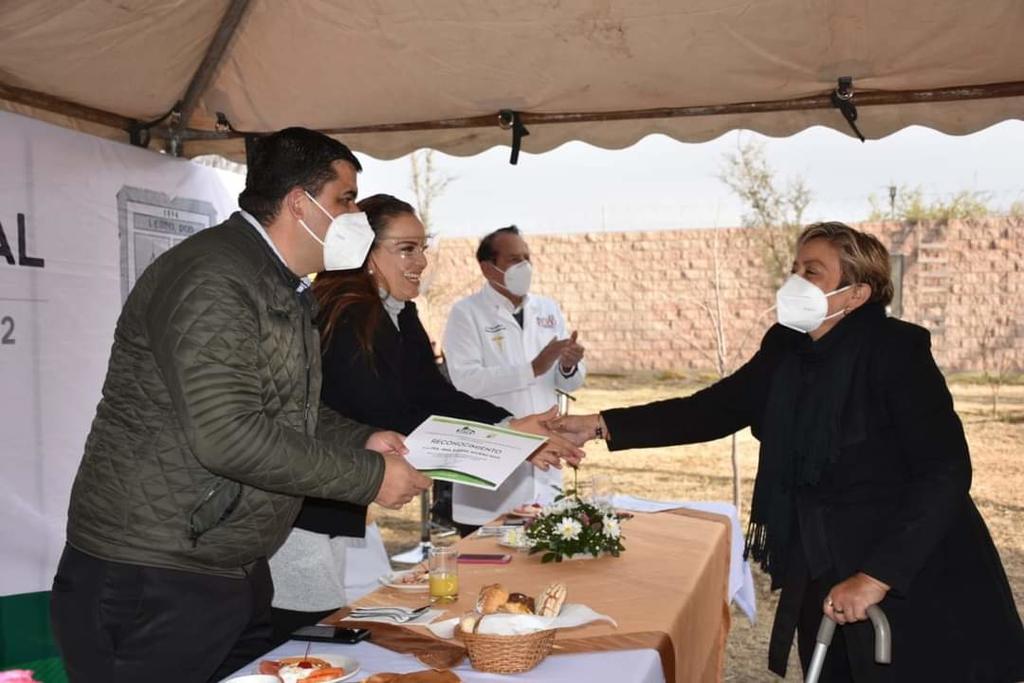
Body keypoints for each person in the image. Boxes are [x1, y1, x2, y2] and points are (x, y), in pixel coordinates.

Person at [552, 222, 1024, 682]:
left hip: (907, 567)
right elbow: (712, 410)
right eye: (795, 269)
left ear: (857, 293)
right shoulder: (785, 348)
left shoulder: (896, 351)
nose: (795, 281)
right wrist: (600, 424)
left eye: (812, 271)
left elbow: (945, 470)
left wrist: (877, 576)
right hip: (820, 557)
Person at [50, 128, 431, 683]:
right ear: (299, 203)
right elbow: (228, 435)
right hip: (152, 575)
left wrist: (361, 439)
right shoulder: (213, 278)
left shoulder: (277, 282)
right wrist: (368, 477)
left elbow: (284, 411)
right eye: (346, 200)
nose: (357, 217)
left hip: (227, 568)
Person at [269, 195, 584, 640]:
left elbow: (434, 394)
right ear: (367, 253)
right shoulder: (348, 314)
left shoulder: (397, 311)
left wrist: (509, 427)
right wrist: (506, 440)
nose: (421, 261)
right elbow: (388, 411)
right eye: (406, 249)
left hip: (344, 505)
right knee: (303, 641)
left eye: (423, 247)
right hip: (305, 511)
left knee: (348, 628)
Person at [442, 226, 586, 530]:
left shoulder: (546, 309)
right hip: (491, 460)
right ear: (487, 268)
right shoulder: (466, 313)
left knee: (545, 546)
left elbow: (568, 383)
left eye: (527, 258)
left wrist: (568, 366)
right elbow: (466, 382)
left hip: (544, 460)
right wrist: (532, 368)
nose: (524, 267)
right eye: (514, 259)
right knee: (487, 552)